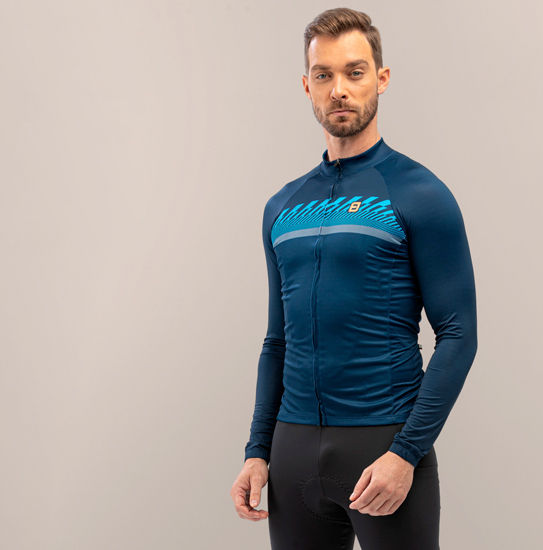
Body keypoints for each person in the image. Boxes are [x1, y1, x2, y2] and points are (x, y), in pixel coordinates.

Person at [229, 7, 477, 549]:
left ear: (381, 79)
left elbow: (459, 335)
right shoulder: (281, 207)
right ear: (307, 85)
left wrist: (405, 453)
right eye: (324, 74)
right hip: (292, 454)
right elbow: (277, 341)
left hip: (383, 448)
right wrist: (257, 451)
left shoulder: (419, 194)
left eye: (354, 72)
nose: (339, 89)